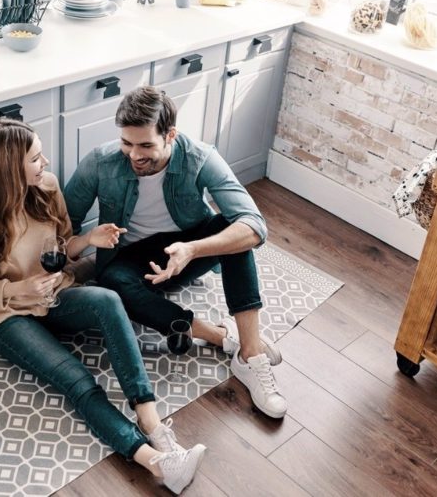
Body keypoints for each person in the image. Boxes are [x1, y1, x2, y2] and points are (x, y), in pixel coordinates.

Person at [0, 118, 205, 494]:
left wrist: (88, 239)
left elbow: (62, 246)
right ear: (7, 168)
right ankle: (158, 463)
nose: (47, 162)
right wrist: (20, 288)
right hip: (7, 318)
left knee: (108, 298)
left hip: (56, 297)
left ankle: (152, 422)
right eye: (37, 158)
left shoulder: (46, 189)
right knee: (77, 380)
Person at [64, 86, 287, 419]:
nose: (134, 155)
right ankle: (219, 336)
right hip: (134, 259)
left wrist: (192, 249)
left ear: (170, 135)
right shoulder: (101, 162)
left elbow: (255, 226)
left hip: (188, 250)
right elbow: (63, 223)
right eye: (126, 143)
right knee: (111, 281)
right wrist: (82, 245)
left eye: (145, 145)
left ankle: (249, 355)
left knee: (236, 230)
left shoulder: (200, 156)